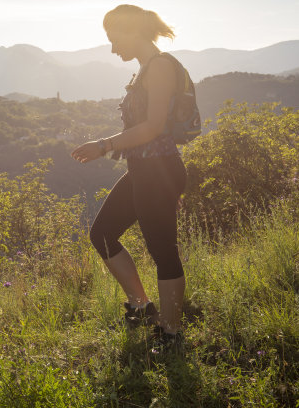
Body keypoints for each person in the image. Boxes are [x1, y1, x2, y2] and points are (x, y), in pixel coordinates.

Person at [71, 4, 191, 349]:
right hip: (145, 170)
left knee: (162, 250)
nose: (112, 48)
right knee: (103, 234)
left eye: (114, 38)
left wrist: (104, 144)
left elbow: (153, 127)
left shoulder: (161, 67)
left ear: (132, 31)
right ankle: (142, 306)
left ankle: (170, 334)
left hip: (160, 171)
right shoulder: (145, 69)